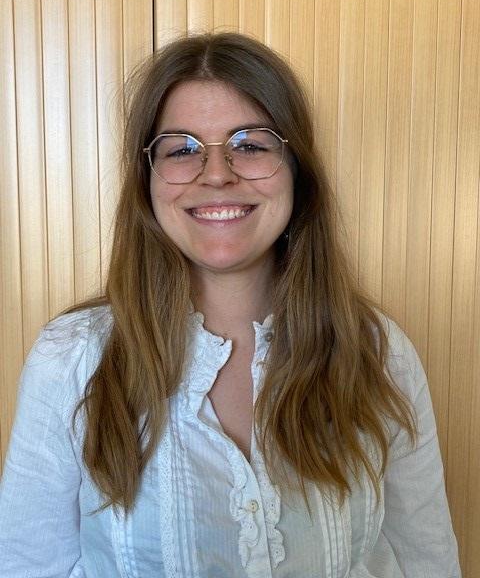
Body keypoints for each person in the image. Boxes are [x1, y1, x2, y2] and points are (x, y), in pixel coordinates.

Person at [0, 32, 461, 578]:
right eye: (181, 149)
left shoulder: (379, 351)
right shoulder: (71, 359)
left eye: (250, 144)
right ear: (147, 182)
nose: (217, 173)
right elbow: (28, 565)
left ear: (297, 169)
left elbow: (424, 556)